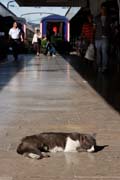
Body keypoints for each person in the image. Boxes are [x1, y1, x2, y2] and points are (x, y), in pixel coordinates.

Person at [93, 3, 111, 72]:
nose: (103, 10)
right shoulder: (96, 18)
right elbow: (94, 29)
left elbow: (111, 28)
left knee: (104, 52)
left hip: (105, 38)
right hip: (97, 38)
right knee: (98, 52)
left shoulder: (109, 18)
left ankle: (104, 67)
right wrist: (93, 38)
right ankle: (99, 66)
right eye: (102, 8)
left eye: (105, 9)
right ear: (100, 9)